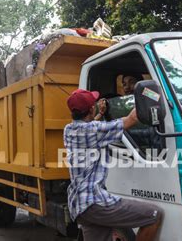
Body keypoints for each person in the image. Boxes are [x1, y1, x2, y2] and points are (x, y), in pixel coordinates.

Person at [64, 89, 162, 241]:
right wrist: (151, 94)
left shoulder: (69, 130)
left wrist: (100, 114)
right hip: (94, 202)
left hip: (79, 205)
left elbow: (92, 129)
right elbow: (132, 119)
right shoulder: (93, 130)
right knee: (154, 215)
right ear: (91, 108)